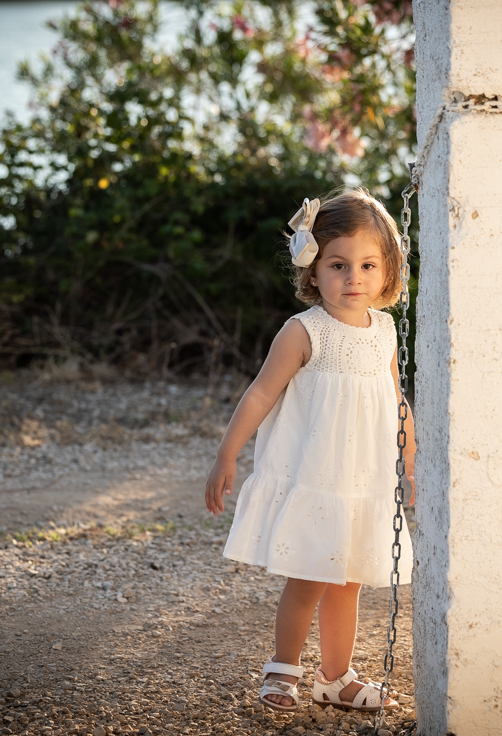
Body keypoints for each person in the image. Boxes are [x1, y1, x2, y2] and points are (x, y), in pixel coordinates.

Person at [204, 188, 415, 713]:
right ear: (312, 268)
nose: (354, 278)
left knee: (348, 583)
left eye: (368, 265)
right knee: (311, 576)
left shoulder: (384, 331)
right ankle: (281, 672)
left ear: (386, 271)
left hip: (362, 481)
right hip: (319, 478)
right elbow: (259, 394)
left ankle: (336, 677)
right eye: (338, 264)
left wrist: (412, 458)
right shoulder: (304, 332)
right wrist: (227, 454)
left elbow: (395, 399)